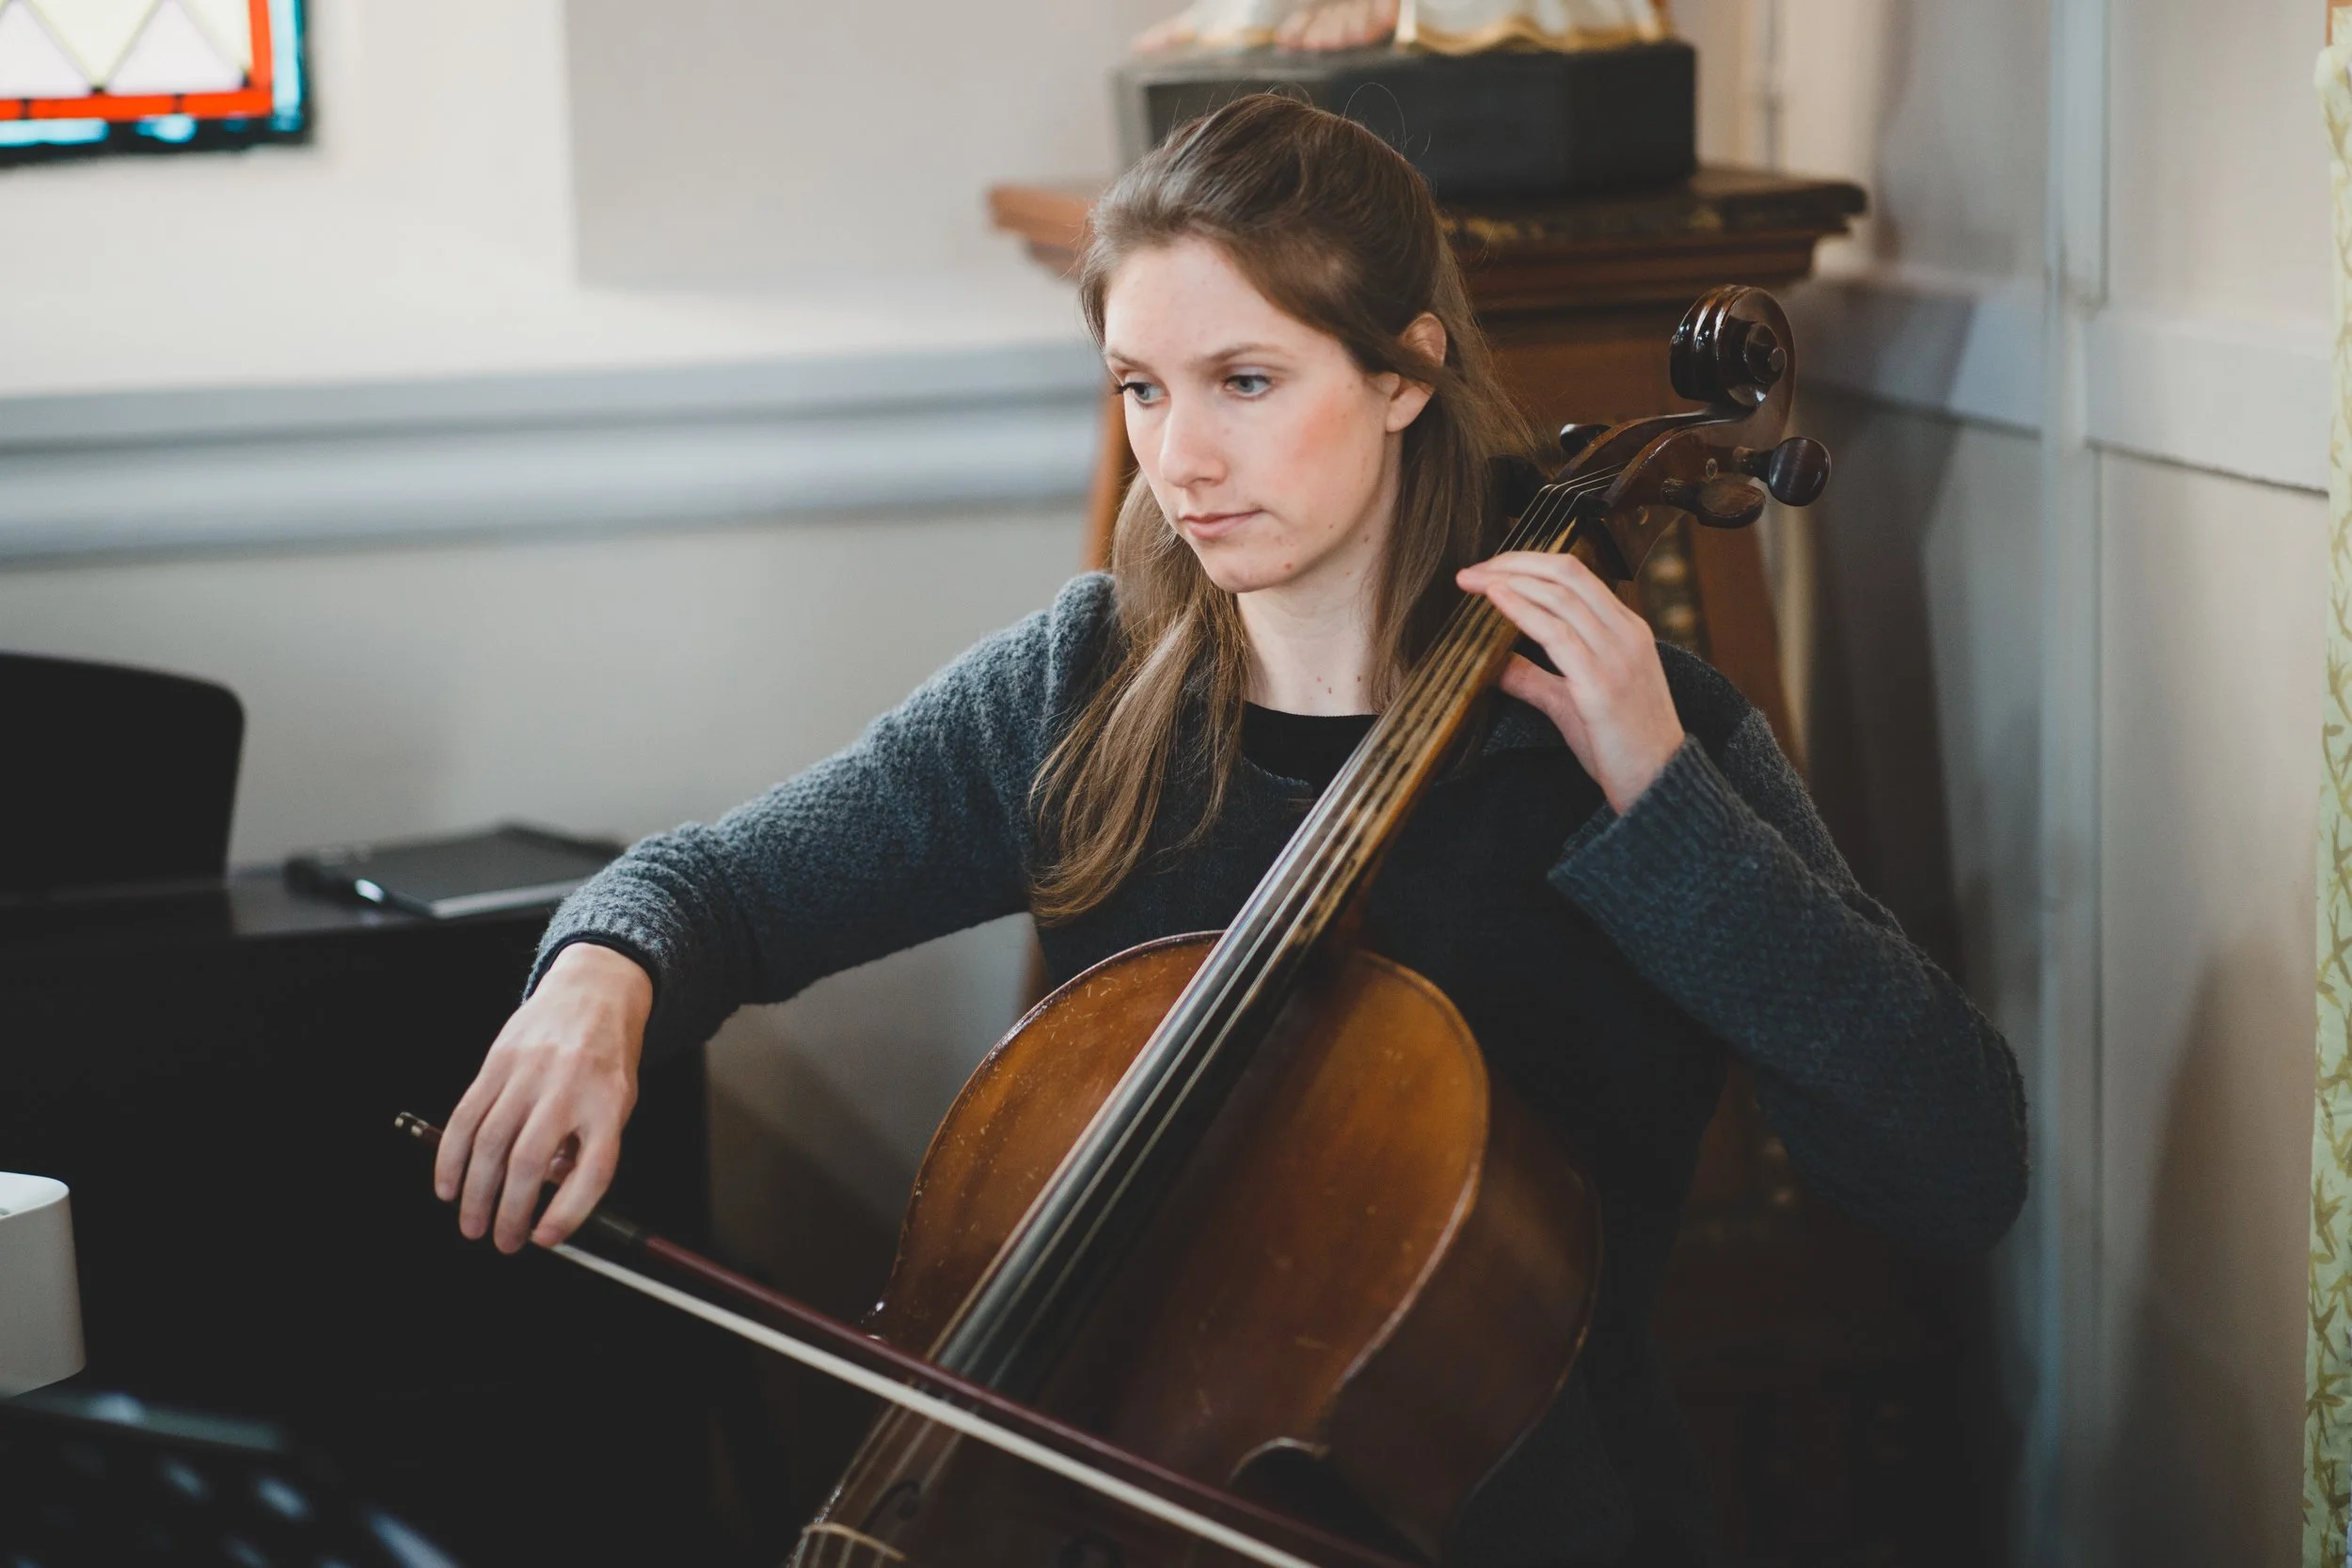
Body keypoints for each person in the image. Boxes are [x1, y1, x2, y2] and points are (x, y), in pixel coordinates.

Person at [432, 94, 2026, 1567]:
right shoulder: (1087, 681)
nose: (1175, 459)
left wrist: (1670, 811)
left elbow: (1954, 1164)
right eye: (1140, 387)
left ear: (1404, 371)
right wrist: (600, 978)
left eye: (1244, 383)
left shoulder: (1633, 734)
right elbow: (710, 887)